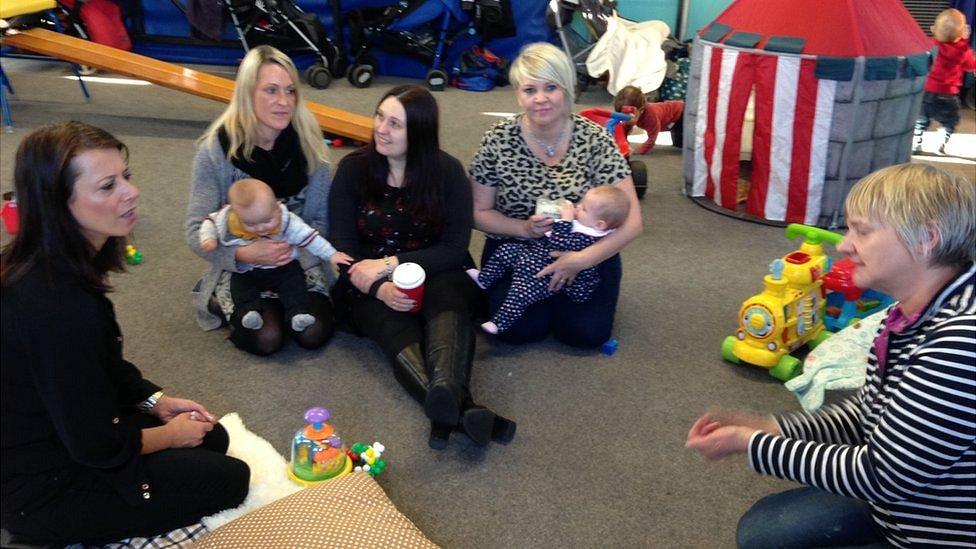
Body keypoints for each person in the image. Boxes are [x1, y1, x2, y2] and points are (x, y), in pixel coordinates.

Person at [686, 163, 975, 548]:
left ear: (926, 238)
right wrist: (774, 428)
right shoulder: (904, 313)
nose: (844, 244)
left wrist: (752, 443)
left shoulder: (959, 343)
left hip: (934, 531)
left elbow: (883, 474)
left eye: (863, 231)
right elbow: (871, 414)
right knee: (764, 531)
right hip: (894, 507)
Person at [1, 122, 250, 545]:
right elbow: (94, 445)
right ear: (58, 203)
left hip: (59, 435)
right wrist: (169, 435)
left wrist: (156, 401)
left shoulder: (54, 266)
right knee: (231, 480)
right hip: (41, 483)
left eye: (126, 177)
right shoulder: (55, 307)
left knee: (214, 437)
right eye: (106, 186)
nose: (130, 192)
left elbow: (104, 367)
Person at [329, 84, 516, 450]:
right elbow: (343, 250)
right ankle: (461, 411)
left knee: (449, 295)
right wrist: (378, 286)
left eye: (395, 124)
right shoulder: (353, 170)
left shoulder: (447, 172)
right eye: (380, 117)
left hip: (436, 268)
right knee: (387, 321)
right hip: (366, 283)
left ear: (419, 133)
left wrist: (389, 263)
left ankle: (445, 396)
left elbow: (453, 247)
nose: (381, 128)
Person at [470, 42, 643, 348]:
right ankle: (541, 298)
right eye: (529, 90)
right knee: (519, 331)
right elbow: (478, 212)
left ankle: (559, 296)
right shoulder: (497, 140)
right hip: (517, 249)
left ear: (566, 88)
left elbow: (633, 222)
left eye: (550, 87)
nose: (540, 99)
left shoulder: (595, 139)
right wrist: (522, 228)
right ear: (517, 94)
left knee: (584, 335)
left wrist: (581, 260)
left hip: (586, 248)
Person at [185, 45, 334, 356]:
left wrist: (288, 252)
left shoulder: (311, 147)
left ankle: (278, 304)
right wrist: (248, 254)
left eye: (291, 91)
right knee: (267, 338)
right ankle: (224, 297)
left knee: (313, 332)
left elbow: (321, 221)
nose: (284, 102)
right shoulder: (215, 151)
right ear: (247, 94)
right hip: (242, 266)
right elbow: (196, 231)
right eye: (271, 90)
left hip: (297, 260)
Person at [469, 185, 630, 334]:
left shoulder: (591, 236)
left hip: (552, 275)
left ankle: (498, 323)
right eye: (580, 203)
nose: (577, 207)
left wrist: (565, 220)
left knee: (521, 292)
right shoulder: (586, 222)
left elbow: (559, 243)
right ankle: (485, 278)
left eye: (584, 209)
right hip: (537, 257)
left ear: (600, 224)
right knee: (506, 250)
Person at [200, 178, 352, 333]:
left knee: (295, 282)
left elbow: (311, 238)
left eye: (267, 221)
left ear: (277, 207)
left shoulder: (287, 221)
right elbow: (209, 221)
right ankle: (249, 312)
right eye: (251, 225)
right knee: (240, 285)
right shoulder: (229, 219)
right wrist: (209, 238)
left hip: (283, 266)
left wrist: (331, 254)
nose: (261, 229)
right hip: (248, 268)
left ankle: (298, 313)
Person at [912, 8, 976, 156]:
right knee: (950, 120)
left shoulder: (929, 45)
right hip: (948, 95)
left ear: (934, 29)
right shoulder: (962, 50)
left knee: (920, 120)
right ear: (961, 34)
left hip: (927, 91)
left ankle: (915, 144)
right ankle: (942, 142)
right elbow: (971, 65)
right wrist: (964, 40)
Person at [613, 85, 684, 154]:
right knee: (677, 143)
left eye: (628, 114)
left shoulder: (651, 117)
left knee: (681, 144)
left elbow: (652, 137)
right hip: (671, 119)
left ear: (641, 110)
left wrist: (639, 150)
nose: (625, 118)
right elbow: (626, 128)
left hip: (680, 114)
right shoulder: (637, 114)